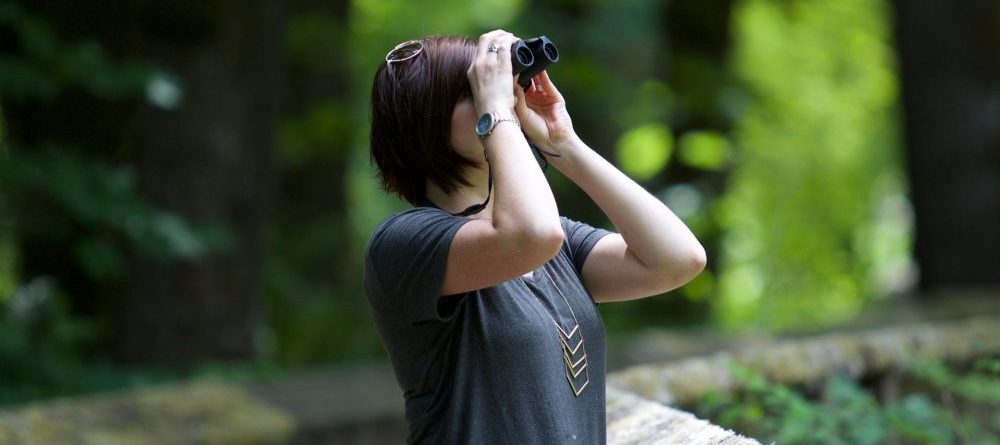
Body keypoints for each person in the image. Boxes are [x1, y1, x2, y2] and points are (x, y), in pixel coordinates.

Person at [364, 29, 706, 444]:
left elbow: (676, 259)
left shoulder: (554, 241)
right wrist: (497, 113)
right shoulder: (405, 242)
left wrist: (565, 143)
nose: (502, 97)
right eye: (471, 91)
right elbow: (530, 234)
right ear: (423, 117)